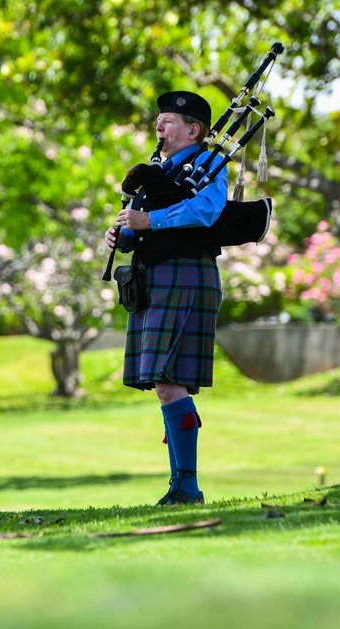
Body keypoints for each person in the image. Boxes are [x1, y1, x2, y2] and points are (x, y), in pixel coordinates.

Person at [104, 90, 228, 506]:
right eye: (158, 120)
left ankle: (187, 487)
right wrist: (126, 234)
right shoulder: (156, 171)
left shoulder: (209, 164)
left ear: (194, 130)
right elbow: (143, 229)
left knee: (168, 380)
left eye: (168, 121)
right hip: (154, 277)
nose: (159, 127)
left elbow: (206, 211)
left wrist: (149, 219)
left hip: (186, 275)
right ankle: (181, 485)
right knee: (164, 382)